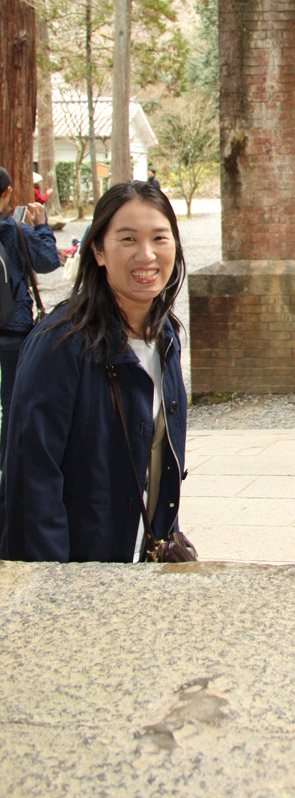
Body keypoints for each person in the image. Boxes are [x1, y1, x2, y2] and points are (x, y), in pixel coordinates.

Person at [0, 180, 188, 563]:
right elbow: (31, 481)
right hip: (80, 573)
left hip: (138, 562)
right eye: (128, 239)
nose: (147, 255)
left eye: (159, 238)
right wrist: (56, 587)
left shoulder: (165, 335)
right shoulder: (61, 344)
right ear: (98, 251)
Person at [0, 168, 60, 462]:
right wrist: (41, 226)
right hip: (13, 327)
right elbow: (49, 261)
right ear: (7, 193)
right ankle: (7, 464)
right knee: (11, 401)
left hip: (13, 329)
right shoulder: (15, 230)